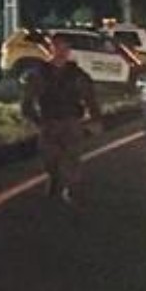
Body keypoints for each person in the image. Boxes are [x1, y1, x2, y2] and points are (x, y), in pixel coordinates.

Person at [20, 33, 102, 205]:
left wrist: (95, 118)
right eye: (58, 47)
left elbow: (90, 97)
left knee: (73, 156)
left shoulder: (76, 74)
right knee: (49, 157)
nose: (62, 51)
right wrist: (36, 120)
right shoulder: (41, 73)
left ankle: (71, 189)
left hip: (71, 120)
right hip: (49, 121)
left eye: (66, 48)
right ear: (51, 48)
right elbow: (27, 101)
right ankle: (54, 177)